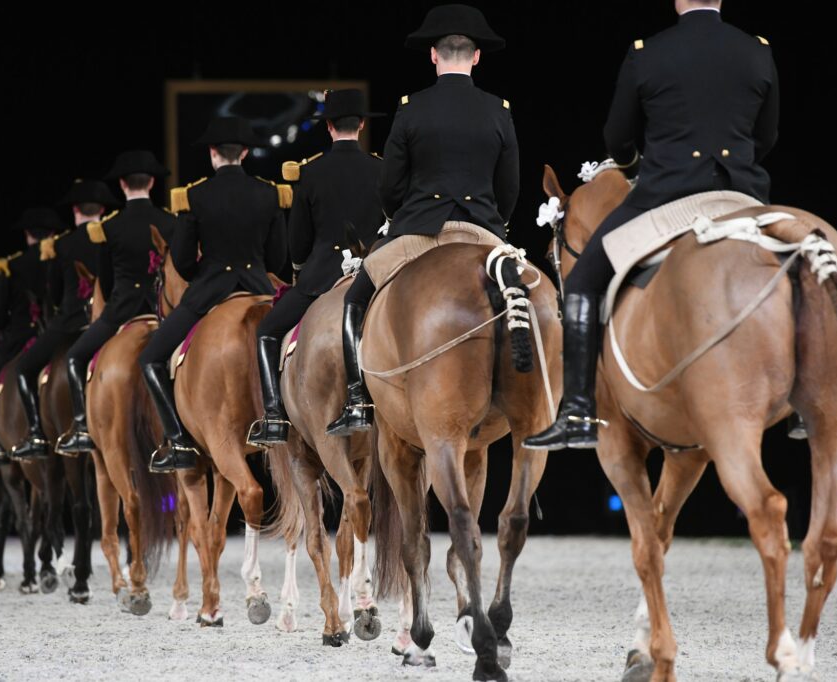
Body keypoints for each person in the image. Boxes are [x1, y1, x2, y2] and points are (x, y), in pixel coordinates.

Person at [524, 0, 779, 451]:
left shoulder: (648, 51)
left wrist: (637, 165)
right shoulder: (757, 50)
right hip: (742, 195)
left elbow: (617, 138)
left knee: (583, 280)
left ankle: (580, 411)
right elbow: (767, 137)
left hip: (667, 195)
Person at [327, 4, 519, 436]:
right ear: (476, 56)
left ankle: (358, 398)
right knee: (528, 299)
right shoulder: (498, 109)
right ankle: (535, 405)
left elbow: (391, 185)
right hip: (481, 232)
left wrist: (402, 216)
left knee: (356, 298)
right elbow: (510, 186)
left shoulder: (411, 107)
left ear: (433, 55)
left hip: (419, 231)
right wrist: (492, 226)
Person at [141, 116, 288, 472]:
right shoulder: (269, 192)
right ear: (246, 153)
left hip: (209, 291)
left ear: (212, 153)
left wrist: (202, 273)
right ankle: (278, 416)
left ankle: (178, 442)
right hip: (258, 287)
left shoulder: (194, 195)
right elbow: (278, 258)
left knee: (151, 358)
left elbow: (183, 261)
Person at [247, 89, 385, 445]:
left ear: (328, 126)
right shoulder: (382, 168)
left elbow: (299, 241)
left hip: (322, 275)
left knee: (267, 332)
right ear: (363, 125)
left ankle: (275, 416)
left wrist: (299, 269)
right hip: (374, 275)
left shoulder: (311, 172)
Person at [55, 151, 174, 455]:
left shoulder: (110, 227)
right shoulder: (170, 221)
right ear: (151, 183)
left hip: (121, 309)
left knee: (75, 358)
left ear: (122, 184)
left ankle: (81, 426)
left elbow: (104, 283)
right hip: (163, 313)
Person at [10, 180, 118, 460]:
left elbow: (54, 292)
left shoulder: (61, 245)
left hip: (68, 323)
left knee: (23, 369)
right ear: (103, 209)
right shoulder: (111, 234)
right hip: (109, 321)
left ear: (75, 210)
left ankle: (35, 432)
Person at [0, 209, 58, 473]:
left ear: (26, 235)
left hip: (19, 337)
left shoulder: (12, 266)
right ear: (53, 234)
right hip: (54, 334)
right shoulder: (57, 255)